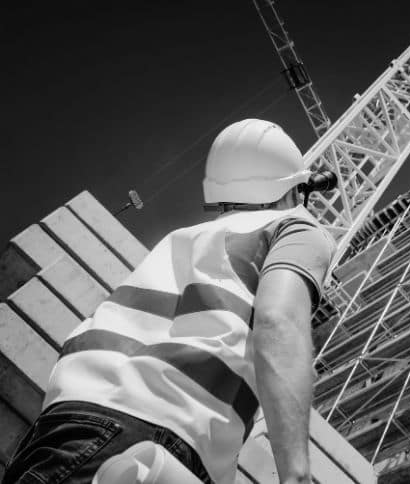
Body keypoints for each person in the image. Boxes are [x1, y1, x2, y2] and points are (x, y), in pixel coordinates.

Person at [2, 119, 336, 484]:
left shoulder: (185, 239)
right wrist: (296, 476)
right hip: (155, 439)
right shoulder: (295, 225)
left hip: (62, 426)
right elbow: (279, 321)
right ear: (290, 190)